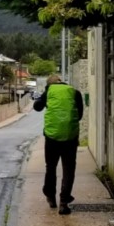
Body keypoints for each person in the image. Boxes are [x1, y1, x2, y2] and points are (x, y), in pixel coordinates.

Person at [33, 74, 84, 215]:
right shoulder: (74, 92)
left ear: (49, 84)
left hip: (52, 137)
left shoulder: (48, 91)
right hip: (70, 137)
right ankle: (64, 202)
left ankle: (50, 196)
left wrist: (44, 100)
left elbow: (37, 107)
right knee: (69, 168)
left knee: (51, 167)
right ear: (62, 82)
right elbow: (79, 115)